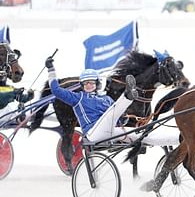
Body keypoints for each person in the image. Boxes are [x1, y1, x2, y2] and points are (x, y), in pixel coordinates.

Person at [45, 56, 179, 146]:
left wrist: (124, 120)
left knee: (142, 135)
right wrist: (51, 69)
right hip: (93, 133)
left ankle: (177, 139)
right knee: (114, 110)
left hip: (110, 131)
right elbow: (56, 90)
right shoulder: (78, 98)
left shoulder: (105, 99)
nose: (89, 85)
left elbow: (117, 118)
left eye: (92, 83)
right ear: (82, 85)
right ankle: (128, 95)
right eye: (86, 83)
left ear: (97, 84)